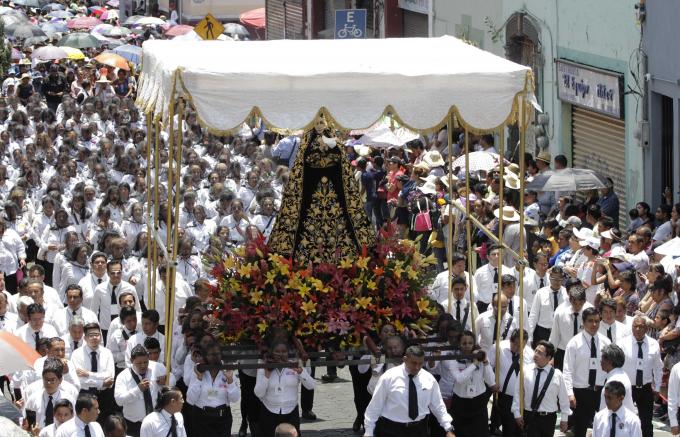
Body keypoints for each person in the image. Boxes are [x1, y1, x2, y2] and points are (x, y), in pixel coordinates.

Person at [363, 345, 455, 437]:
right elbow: (375, 405)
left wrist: (448, 428)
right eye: (414, 363)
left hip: (419, 429)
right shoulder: (389, 377)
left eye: (420, 363)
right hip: (391, 429)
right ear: (405, 359)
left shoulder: (429, 379)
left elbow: (438, 405)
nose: (417, 367)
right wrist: (368, 431)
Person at [563, 307, 612, 437]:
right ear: (583, 322)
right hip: (581, 392)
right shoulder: (574, 343)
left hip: (600, 391)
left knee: (604, 426)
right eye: (590, 321)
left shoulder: (606, 342)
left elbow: (610, 368)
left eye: (597, 321)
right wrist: (569, 393)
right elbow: (567, 370)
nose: (594, 324)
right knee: (580, 428)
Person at [254, 338, 315, 437]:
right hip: (269, 411)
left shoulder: (294, 363)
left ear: (288, 352)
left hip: (290, 412)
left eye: (283, 352)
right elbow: (258, 393)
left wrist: (301, 372)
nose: (280, 354)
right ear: (271, 353)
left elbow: (311, 386)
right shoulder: (264, 365)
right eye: (277, 352)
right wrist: (266, 375)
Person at [512, 340, 570, 437]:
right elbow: (518, 393)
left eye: (540, 353)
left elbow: (564, 399)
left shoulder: (557, 375)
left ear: (549, 357)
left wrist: (564, 419)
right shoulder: (525, 370)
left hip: (548, 418)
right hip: (530, 416)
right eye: (536, 351)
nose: (535, 355)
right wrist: (516, 413)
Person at [187, 342, 240, 437]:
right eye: (211, 355)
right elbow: (190, 400)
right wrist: (199, 378)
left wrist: (230, 380)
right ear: (205, 356)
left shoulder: (227, 369)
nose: (215, 357)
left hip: (223, 418)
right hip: (202, 419)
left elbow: (235, 399)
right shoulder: (198, 370)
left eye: (217, 354)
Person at [622, 316, 662, 437]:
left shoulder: (654, 344)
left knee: (646, 423)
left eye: (641, 327)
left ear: (647, 329)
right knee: (624, 421)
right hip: (628, 388)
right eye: (635, 326)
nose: (638, 329)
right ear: (632, 327)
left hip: (645, 388)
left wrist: (658, 388)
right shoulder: (622, 343)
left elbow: (658, 368)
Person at [488, 329, 532, 437]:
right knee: (509, 427)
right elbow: (488, 367)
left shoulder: (530, 354)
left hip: (521, 398)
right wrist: (492, 382)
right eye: (515, 344)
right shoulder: (498, 347)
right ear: (510, 341)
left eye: (522, 345)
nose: (518, 348)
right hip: (503, 396)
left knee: (519, 428)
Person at [70, 322, 115, 422]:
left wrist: (89, 374)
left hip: (104, 395)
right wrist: (101, 382)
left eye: (97, 334)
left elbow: (110, 376)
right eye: (91, 335)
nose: (95, 338)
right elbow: (80, 380)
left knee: (105, 424)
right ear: (85, 338)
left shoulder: (107, 353)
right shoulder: (76, 354)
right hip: (85, 395)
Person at [114, 345, 159, 437]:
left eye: (146, 362)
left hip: (154, 422)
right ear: (131, 361)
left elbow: (172, 379)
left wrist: (166, 380)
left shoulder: (156, 368)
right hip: (133, 425)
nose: (143, 366)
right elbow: (119, 401)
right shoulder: (123, 376)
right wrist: (137, 390)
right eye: (139, 363)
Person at [24, 358, 77, 429]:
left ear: (60, 380)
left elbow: (74, 424)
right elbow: (26, 423)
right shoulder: (33, 399)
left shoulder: (69, 400)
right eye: (46, 379)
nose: (49, 383)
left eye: (52, 380)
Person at [549, 286, 592, 369]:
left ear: (584, 302)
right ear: (570, 301)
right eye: (574, 303)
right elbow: (554, 336)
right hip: (563, 352)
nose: (577, 306)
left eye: (580, 303)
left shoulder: (589, 316)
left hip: (583, 353)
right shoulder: (560, 314)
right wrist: (550, 356)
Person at [528, 267, 568, 345]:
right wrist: (530, 337)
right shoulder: (541, 293)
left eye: (559, 279)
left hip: (560, 333)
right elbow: (533, 315)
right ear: (549, 277)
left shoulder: (566, 294)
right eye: (554, 278)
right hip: (542, 332)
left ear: (562, 279)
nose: (556, 282)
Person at [599, 344, 634, 411]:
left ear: (609, 362)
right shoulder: (623, 374)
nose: (600, 361)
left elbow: (606, 410)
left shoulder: (613, 382)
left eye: (602, 358)